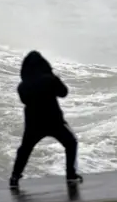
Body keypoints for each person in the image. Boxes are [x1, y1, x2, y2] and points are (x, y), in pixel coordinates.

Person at [9, 50, 82, 189]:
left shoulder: (22, 86)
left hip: (33, 123)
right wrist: (55, 78)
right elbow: (63, 93)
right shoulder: (50, 79)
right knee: (71, 143)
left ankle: (14, 177)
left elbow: (24, 100)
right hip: (54, 121)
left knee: (25, 149)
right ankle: (71, 175)